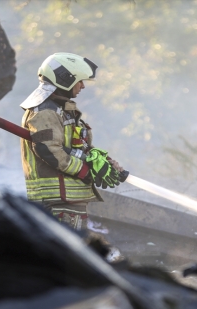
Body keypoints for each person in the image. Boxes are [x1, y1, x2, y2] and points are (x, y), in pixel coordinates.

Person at [20, 53, 125, 232]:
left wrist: (101, 162)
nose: (83, 86)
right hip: (56, 200)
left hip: (68, 200)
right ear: (65, 79)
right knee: (59, 256)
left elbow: (78, 145)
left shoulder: (62, 110)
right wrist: (85, 171)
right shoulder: (45, 111)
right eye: (79, 81)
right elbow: (48, 149)